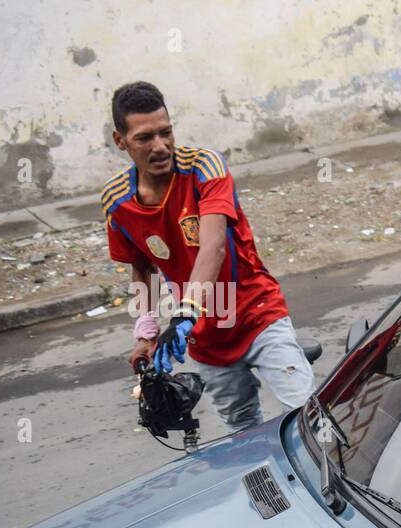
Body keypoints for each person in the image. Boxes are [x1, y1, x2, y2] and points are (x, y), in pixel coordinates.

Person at [104, 81, 313, 431]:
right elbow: (142, 266)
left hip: (257, 315)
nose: (160, 146)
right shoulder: (117, 201)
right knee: (242, 431)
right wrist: (146, 331)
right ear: (120, 141)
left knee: (308, 420)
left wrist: (185, 312)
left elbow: (212, 246)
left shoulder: (205, 167)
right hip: (206, 336)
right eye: (144, 138)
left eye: (165, 132)